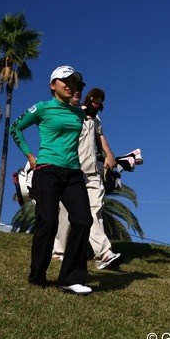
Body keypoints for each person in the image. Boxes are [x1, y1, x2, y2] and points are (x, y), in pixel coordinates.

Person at [10, 65, 94, 295]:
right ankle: (37, 276)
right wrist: (30, 155)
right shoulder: (42, 108)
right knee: (48, 222)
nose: (70, 85)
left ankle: (70, 278)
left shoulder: (78, 113)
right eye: (65, 80)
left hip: (74, 173)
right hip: (47, 170)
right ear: (52, 85)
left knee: (83, 220)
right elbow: (15, 127)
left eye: (74, 81)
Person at [52, 87, 123, 269]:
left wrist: (109, 154)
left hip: (91, 173)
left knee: (94, 211)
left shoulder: (94, 118)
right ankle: (59, 251)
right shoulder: (64, 114)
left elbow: (100, 137)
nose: (76, 92)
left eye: (79, 90)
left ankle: (104, 254)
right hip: (71, 171)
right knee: (66, 215)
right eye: (73, 89)